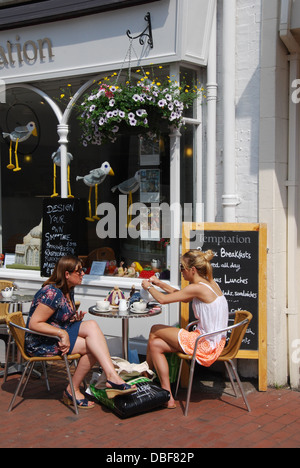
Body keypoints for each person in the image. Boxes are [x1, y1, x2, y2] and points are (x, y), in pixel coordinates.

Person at [25, 255, 136, 409]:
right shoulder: (52, 293)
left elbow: (57, 319)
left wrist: (73, 319)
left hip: (56, 334)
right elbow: (34, 324)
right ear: (67, 274)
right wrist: (62, 334)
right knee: (92, 348)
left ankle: (112, 376)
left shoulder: (68, 290)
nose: (83, 273)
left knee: (91, 325)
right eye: (79, 271)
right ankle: (73, 389)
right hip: (41, 342)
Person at [141, 249, 229, 409]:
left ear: (192, 270)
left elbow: (162, 299)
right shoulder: (209, 283)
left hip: (205, 345)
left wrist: (148, 287)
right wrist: (159, 283)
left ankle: (145, 375)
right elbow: (181, 295)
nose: (180, 271)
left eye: (182, 267)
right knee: (155, 345)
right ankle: (167, 396)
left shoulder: (197, 288)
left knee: (154, 329)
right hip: (215, 342)